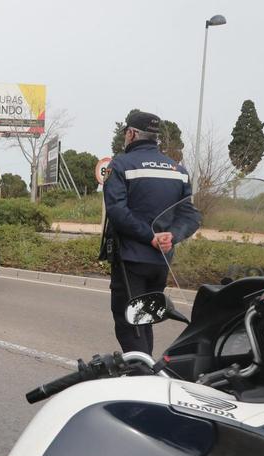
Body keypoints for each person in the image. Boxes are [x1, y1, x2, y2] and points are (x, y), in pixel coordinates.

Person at [101, 110, 201, 355]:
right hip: (161, 262)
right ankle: (146, 365)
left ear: (132, 134)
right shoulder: (178, 170)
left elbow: (117, 212)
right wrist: (171, 236)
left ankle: (141, 373)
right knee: (144, 319)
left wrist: (150, 237)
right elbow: (190, 216)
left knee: (130, 323)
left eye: (126, 133)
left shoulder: (121, 165)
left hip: (131, 259)